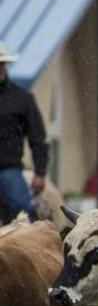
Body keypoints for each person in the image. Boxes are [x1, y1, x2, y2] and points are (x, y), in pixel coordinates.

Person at [0, 42, 46, 221]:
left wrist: (40, 172)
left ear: (4, 65)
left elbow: (37, 138)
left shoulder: (22, 98)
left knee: (23, 210)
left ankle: (32, 234)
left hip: (8, 168)